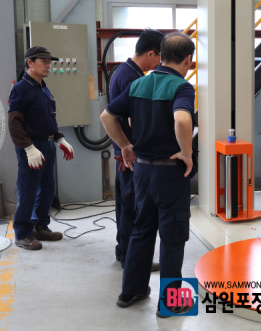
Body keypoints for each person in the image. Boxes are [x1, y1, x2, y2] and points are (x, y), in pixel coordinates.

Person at [100, 32, 195, 317]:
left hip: (141, 172)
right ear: (188, 60)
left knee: (141, 230)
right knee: (172, 237)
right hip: (170, 174)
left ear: (161, 55)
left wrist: (125, 146)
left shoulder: (138, 83)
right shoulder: (182, 87)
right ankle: (171, 303)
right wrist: (187, 153)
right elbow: (182, 119)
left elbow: (107, 116)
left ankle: (131, 291)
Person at [8, 46, 75, 250]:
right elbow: (14, 122)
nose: (48, 65)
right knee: (28, 189)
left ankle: (40, 226)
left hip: (47, 144)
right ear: (30, 63)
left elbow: (47, 118)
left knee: (47, 188)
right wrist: (28, 148)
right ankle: (23, 233)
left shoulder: (43, 88)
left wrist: (59, 139)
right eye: (44, 61)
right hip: (32, 146)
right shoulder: (21, 88)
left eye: (49, 62)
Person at [109, 28, 164, 271]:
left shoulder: (123, 70)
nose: (160, 63)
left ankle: (123, 252)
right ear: (151, 53)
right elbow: (134, 119)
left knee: (125, 205)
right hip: (130, 154)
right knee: (134, 208)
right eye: (160, 57)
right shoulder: (133, 79)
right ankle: (132, 258)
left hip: (123, 151)